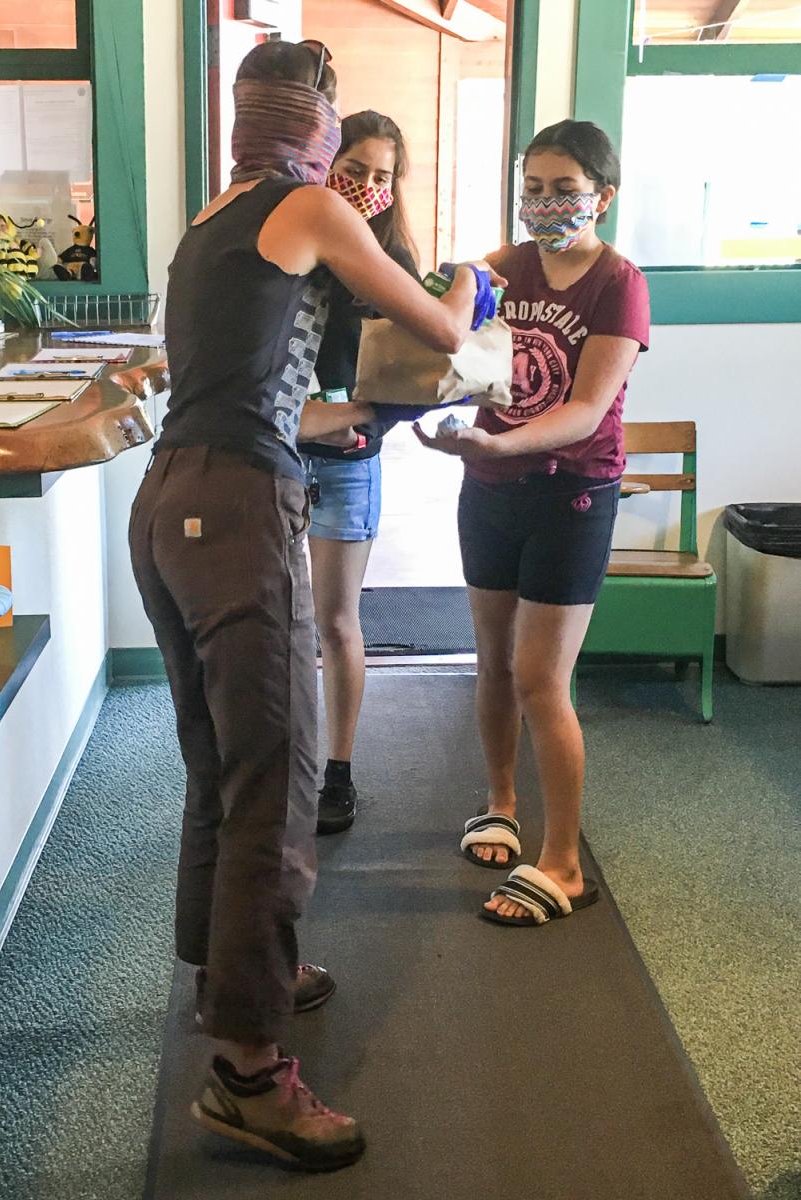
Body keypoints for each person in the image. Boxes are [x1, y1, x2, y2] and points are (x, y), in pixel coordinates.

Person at [128, 39, 501, 1170]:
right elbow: (443, 330)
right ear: (316, 123)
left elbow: (262, 391)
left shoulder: (212, 215)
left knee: (220, 768)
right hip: (237, 514)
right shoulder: (307, 205)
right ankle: (249, 1075)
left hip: (169, 503)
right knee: (278, 784)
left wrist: (365, 415)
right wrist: (474, 281)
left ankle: (239, 976)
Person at [415, 119, 650, 929]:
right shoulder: (503, 266)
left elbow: (586, 410)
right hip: (489, 488)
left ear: (602, 197)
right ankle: (501, 804)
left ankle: (564, 864)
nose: (546, 204)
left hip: (571, 494)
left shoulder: (619, 283)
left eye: (565, 190)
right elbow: (444, 334)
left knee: (539, 680)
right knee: (491, 664)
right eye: (534, 188)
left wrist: (498, 442)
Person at [297, 110, 420, 835]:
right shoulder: (290, 244)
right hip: (275, 457)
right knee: (279, 619)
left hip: (347, 464)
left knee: (337, 620)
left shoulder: (391, 266)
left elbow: (415, 379)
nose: (368, 186)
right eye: (354, 170)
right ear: (326, 164)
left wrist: (358, 422)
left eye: (382, 176)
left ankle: (337, 772)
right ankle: (283, 760)